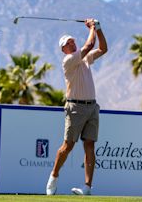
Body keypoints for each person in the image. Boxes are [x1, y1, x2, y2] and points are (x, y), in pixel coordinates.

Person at [46, 18, 107, 195]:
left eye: (73, 41)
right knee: (68, 146)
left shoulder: (85, 58)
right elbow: (89, 45)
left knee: (89, 146)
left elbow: (103, 49)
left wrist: (99, 28)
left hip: (92, 107)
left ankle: (87, 187)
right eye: (68, 44)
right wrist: (92, 28)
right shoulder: (69, 61)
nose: (72, 44)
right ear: (63, 50)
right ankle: (53, 177)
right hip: (75, 108)